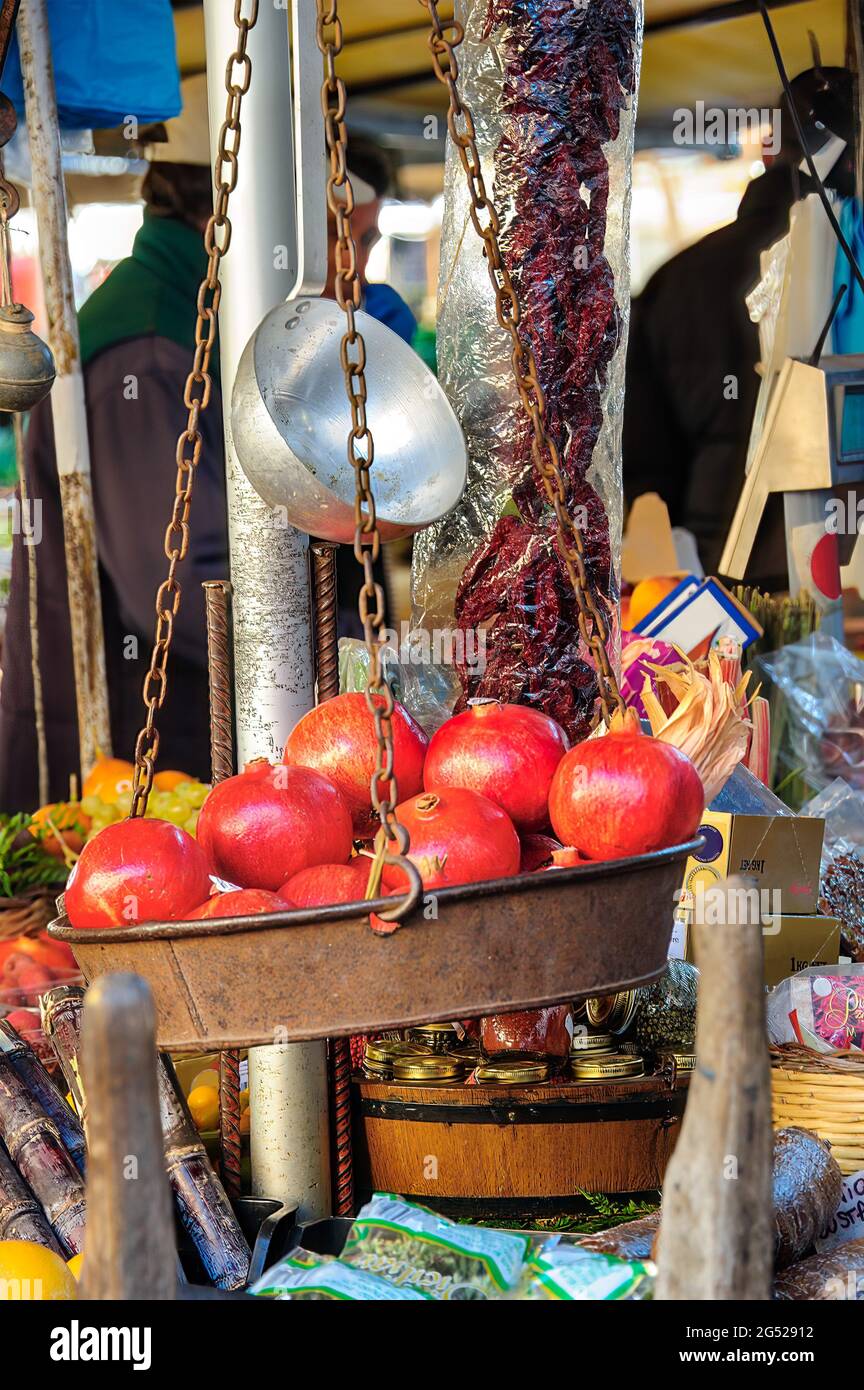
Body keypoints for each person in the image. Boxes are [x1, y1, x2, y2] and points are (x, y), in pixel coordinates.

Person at [0, 77, 414, 811]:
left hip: (192, 749)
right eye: (329, 224)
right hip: (135, 775)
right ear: (247, 211)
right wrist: (354, 647)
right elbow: (184, 592)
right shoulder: (152, 349)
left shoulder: (213, 320)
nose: (342, 257)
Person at [623, 65, 856, 584]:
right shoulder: (849, 262)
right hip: (845, 571)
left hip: (715, 577)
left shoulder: (675, 282)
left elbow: (642, 464)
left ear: (770, 148)